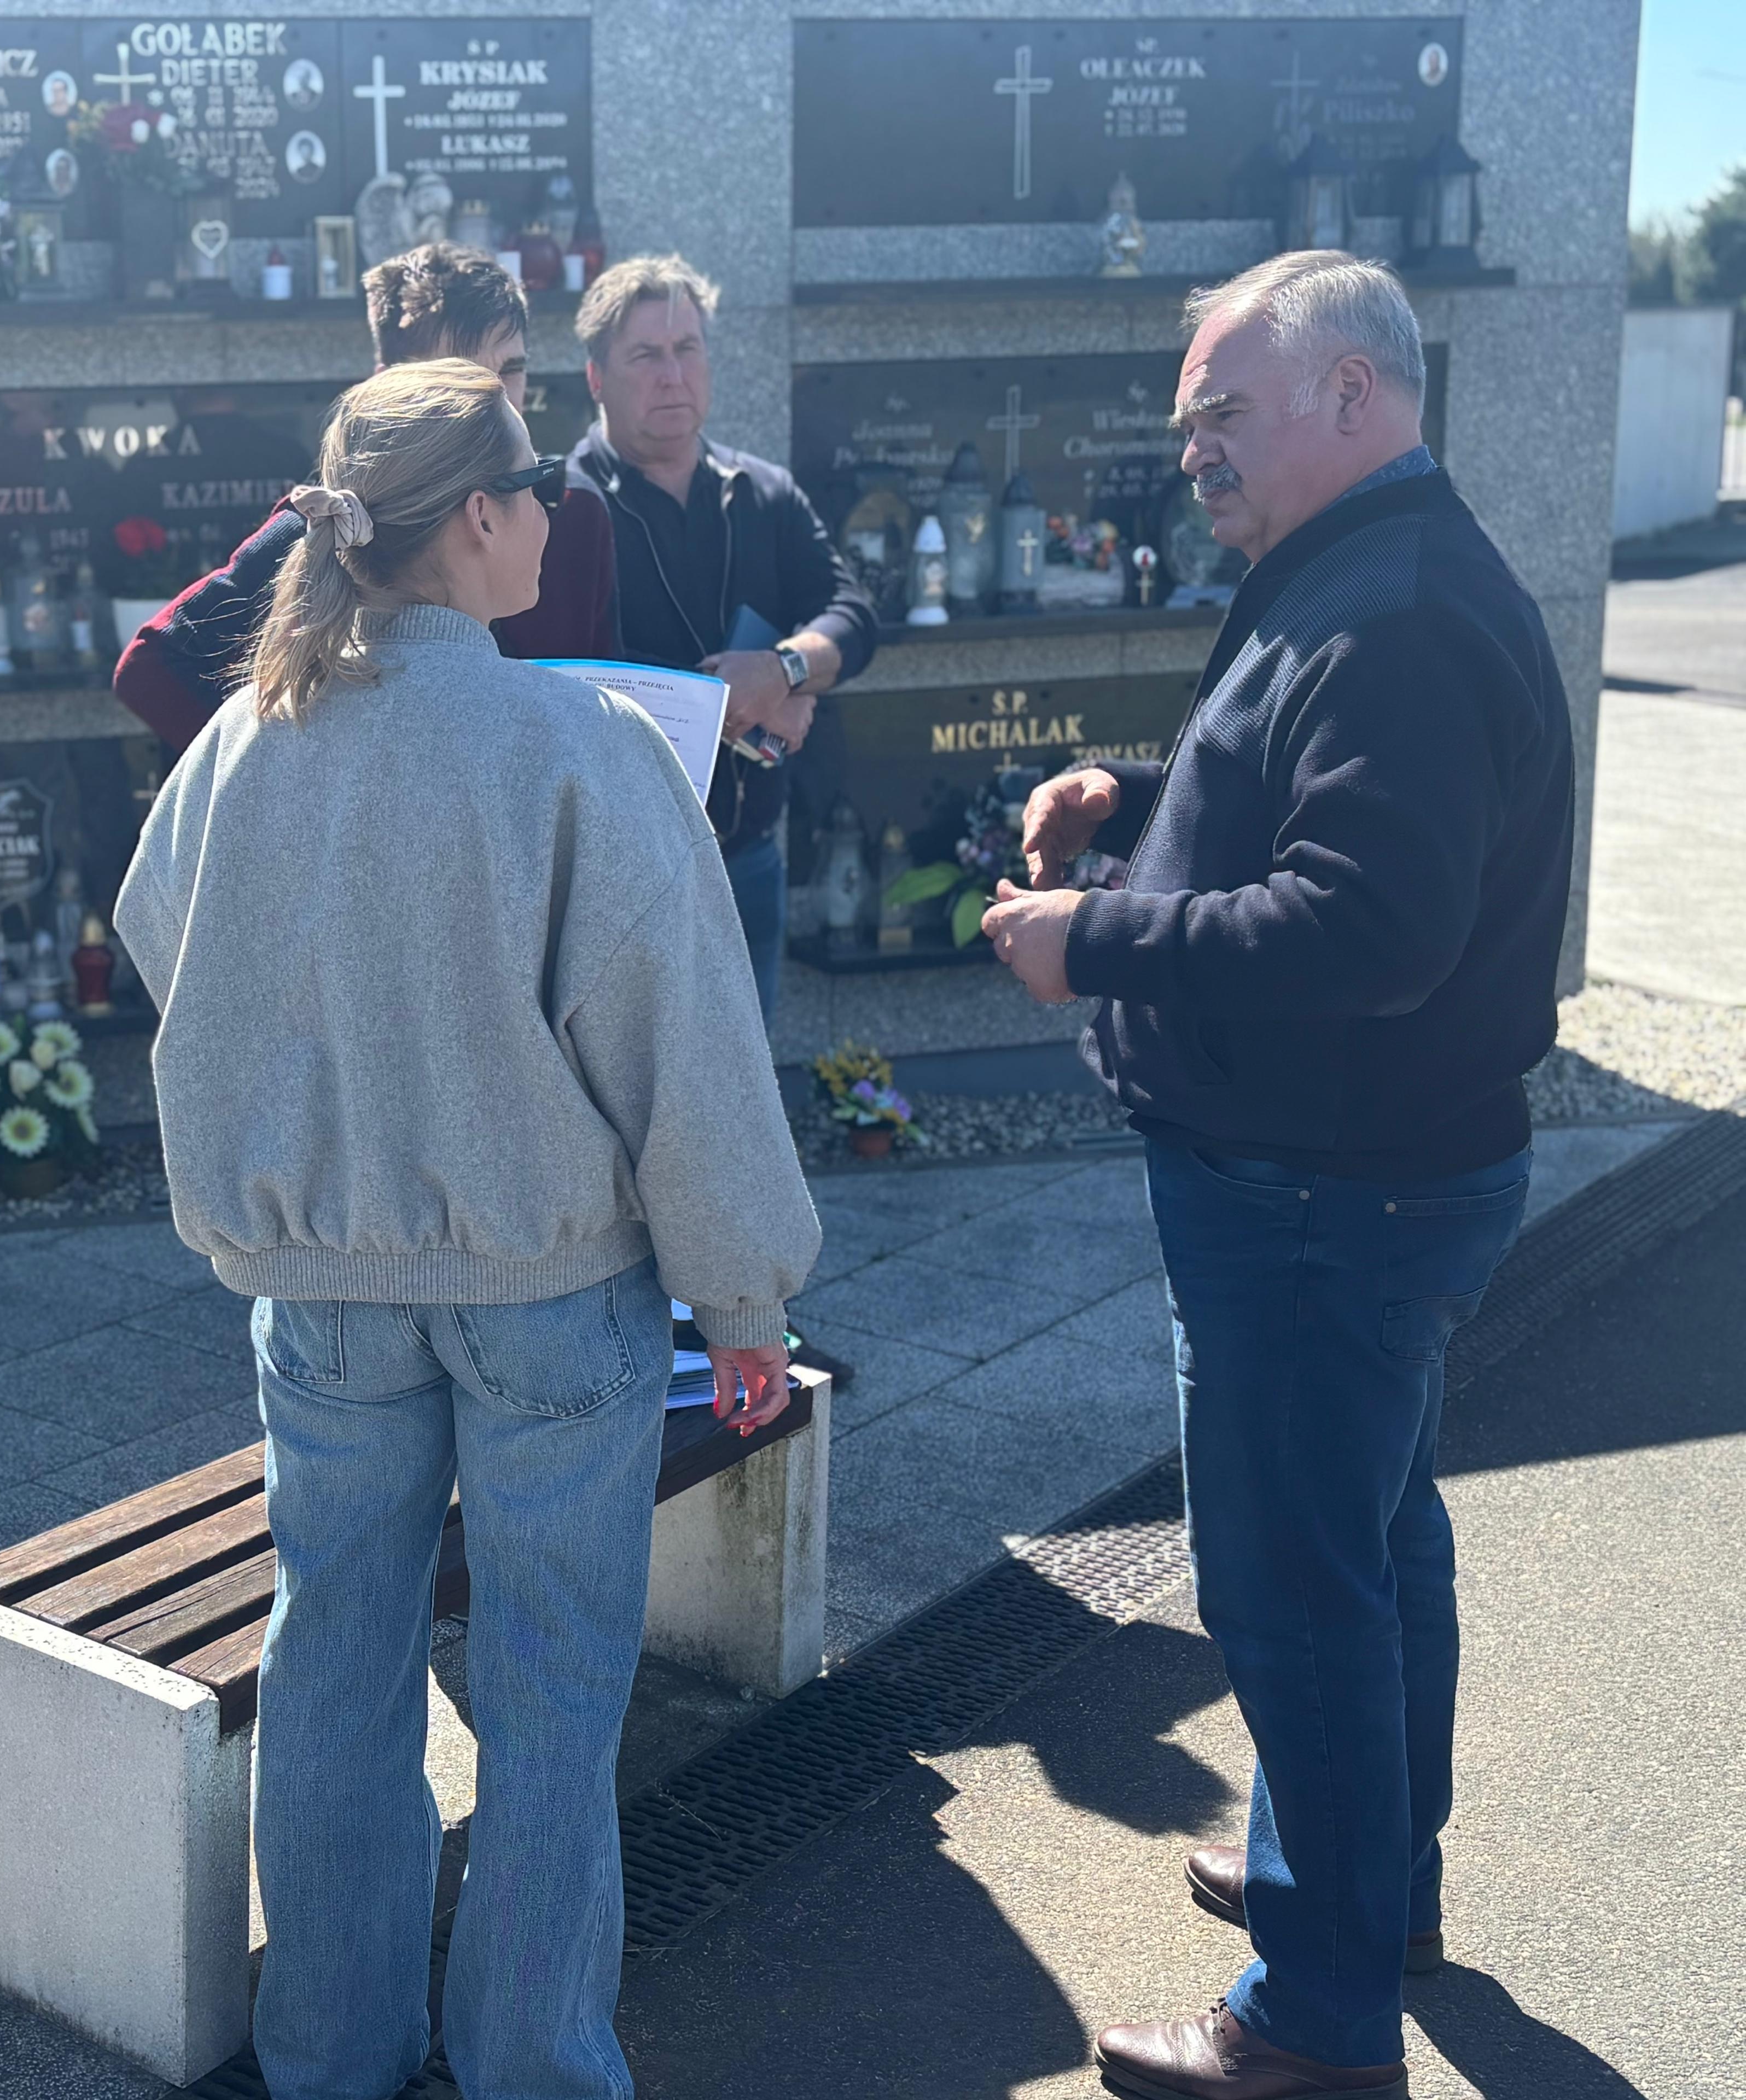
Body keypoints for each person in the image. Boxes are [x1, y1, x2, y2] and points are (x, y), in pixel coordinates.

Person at [116, 360, 818, 2100]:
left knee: (333, 1661)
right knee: (552, 1689)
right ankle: (528, 2063)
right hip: (551, 1289)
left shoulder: (238, 746)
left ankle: (330, 2050)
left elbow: (162, 941)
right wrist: (741, 1297)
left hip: (321, 1293)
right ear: (482, 518)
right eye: (540, 497)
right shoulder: (575, 747)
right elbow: (685, 1054)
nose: (559, 523)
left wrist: (315, 1104)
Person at [983, 253, 1574, 2100]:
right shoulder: (1372, 569)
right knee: (1373, 1547)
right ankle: (1367, 1890)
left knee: (1296, 1590)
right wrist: (1146, 805)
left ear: (1353, 395)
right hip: (1364, 1181)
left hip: (1323, 1196)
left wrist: (1095, 938)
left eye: (1225, 413)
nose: (1197, 453)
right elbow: (1314, 807)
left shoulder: (1392, 609)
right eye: (1189, 425)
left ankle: (1317, 2021)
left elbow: (1369, 926)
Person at [112, 242, 618, 752]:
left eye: (511, 369)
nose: (498, 397)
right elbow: (152, 671)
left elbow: (612, 685)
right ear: (388, 388)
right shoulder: (335, 523)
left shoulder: (574, 511)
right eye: (458, 377)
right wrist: (282, 766)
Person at [567, 255, 878, 1019]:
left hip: (747, 865)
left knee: (748, 1088)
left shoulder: (763, 491)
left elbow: (852, 614)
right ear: (597, 378)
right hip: (618, 880)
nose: (672, 375)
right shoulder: (564, 508)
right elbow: (581, 674)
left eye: (688, 349)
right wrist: (739, 701)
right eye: (646, 355)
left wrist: (785, 670)